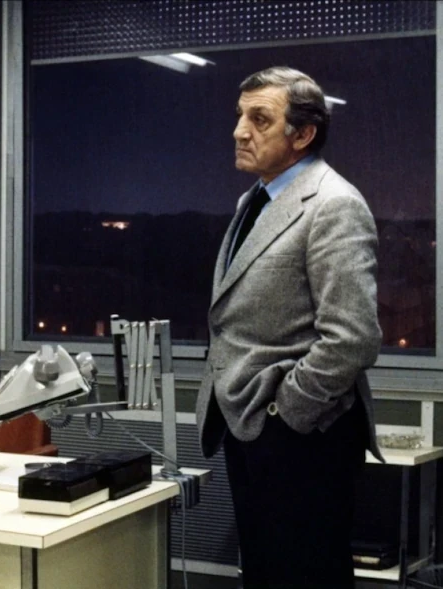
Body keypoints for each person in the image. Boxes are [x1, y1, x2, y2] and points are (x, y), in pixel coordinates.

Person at [195, 66, 383, 589]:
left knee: (305, 576)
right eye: (240, 116)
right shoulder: (255, 199)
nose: (239, 131)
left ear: (303, 134)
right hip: (248, 425)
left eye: (259, 119)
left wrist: (286, 412)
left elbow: (352, 338)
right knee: (265, 573)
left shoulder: (334, 204)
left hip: (301, 435)